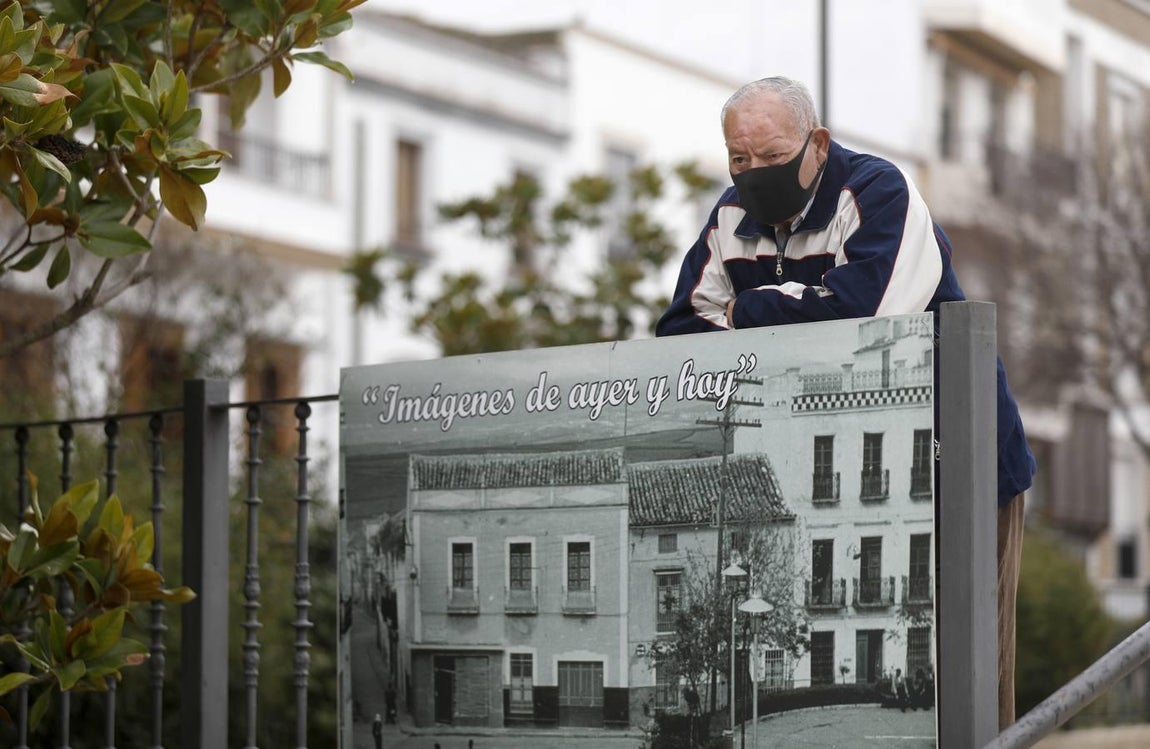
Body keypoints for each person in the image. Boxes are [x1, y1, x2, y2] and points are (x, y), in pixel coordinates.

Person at [656, 76, 1036, 730]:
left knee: (973, 677)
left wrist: (747, 309)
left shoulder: (881, 194)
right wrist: (802, 307)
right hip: (821, 466)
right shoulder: (728, 217)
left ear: (817, 144)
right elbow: (682, 333)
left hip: (963, 459)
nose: (753, 174)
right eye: (738, 160)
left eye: (771, 157)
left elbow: (864, 321)